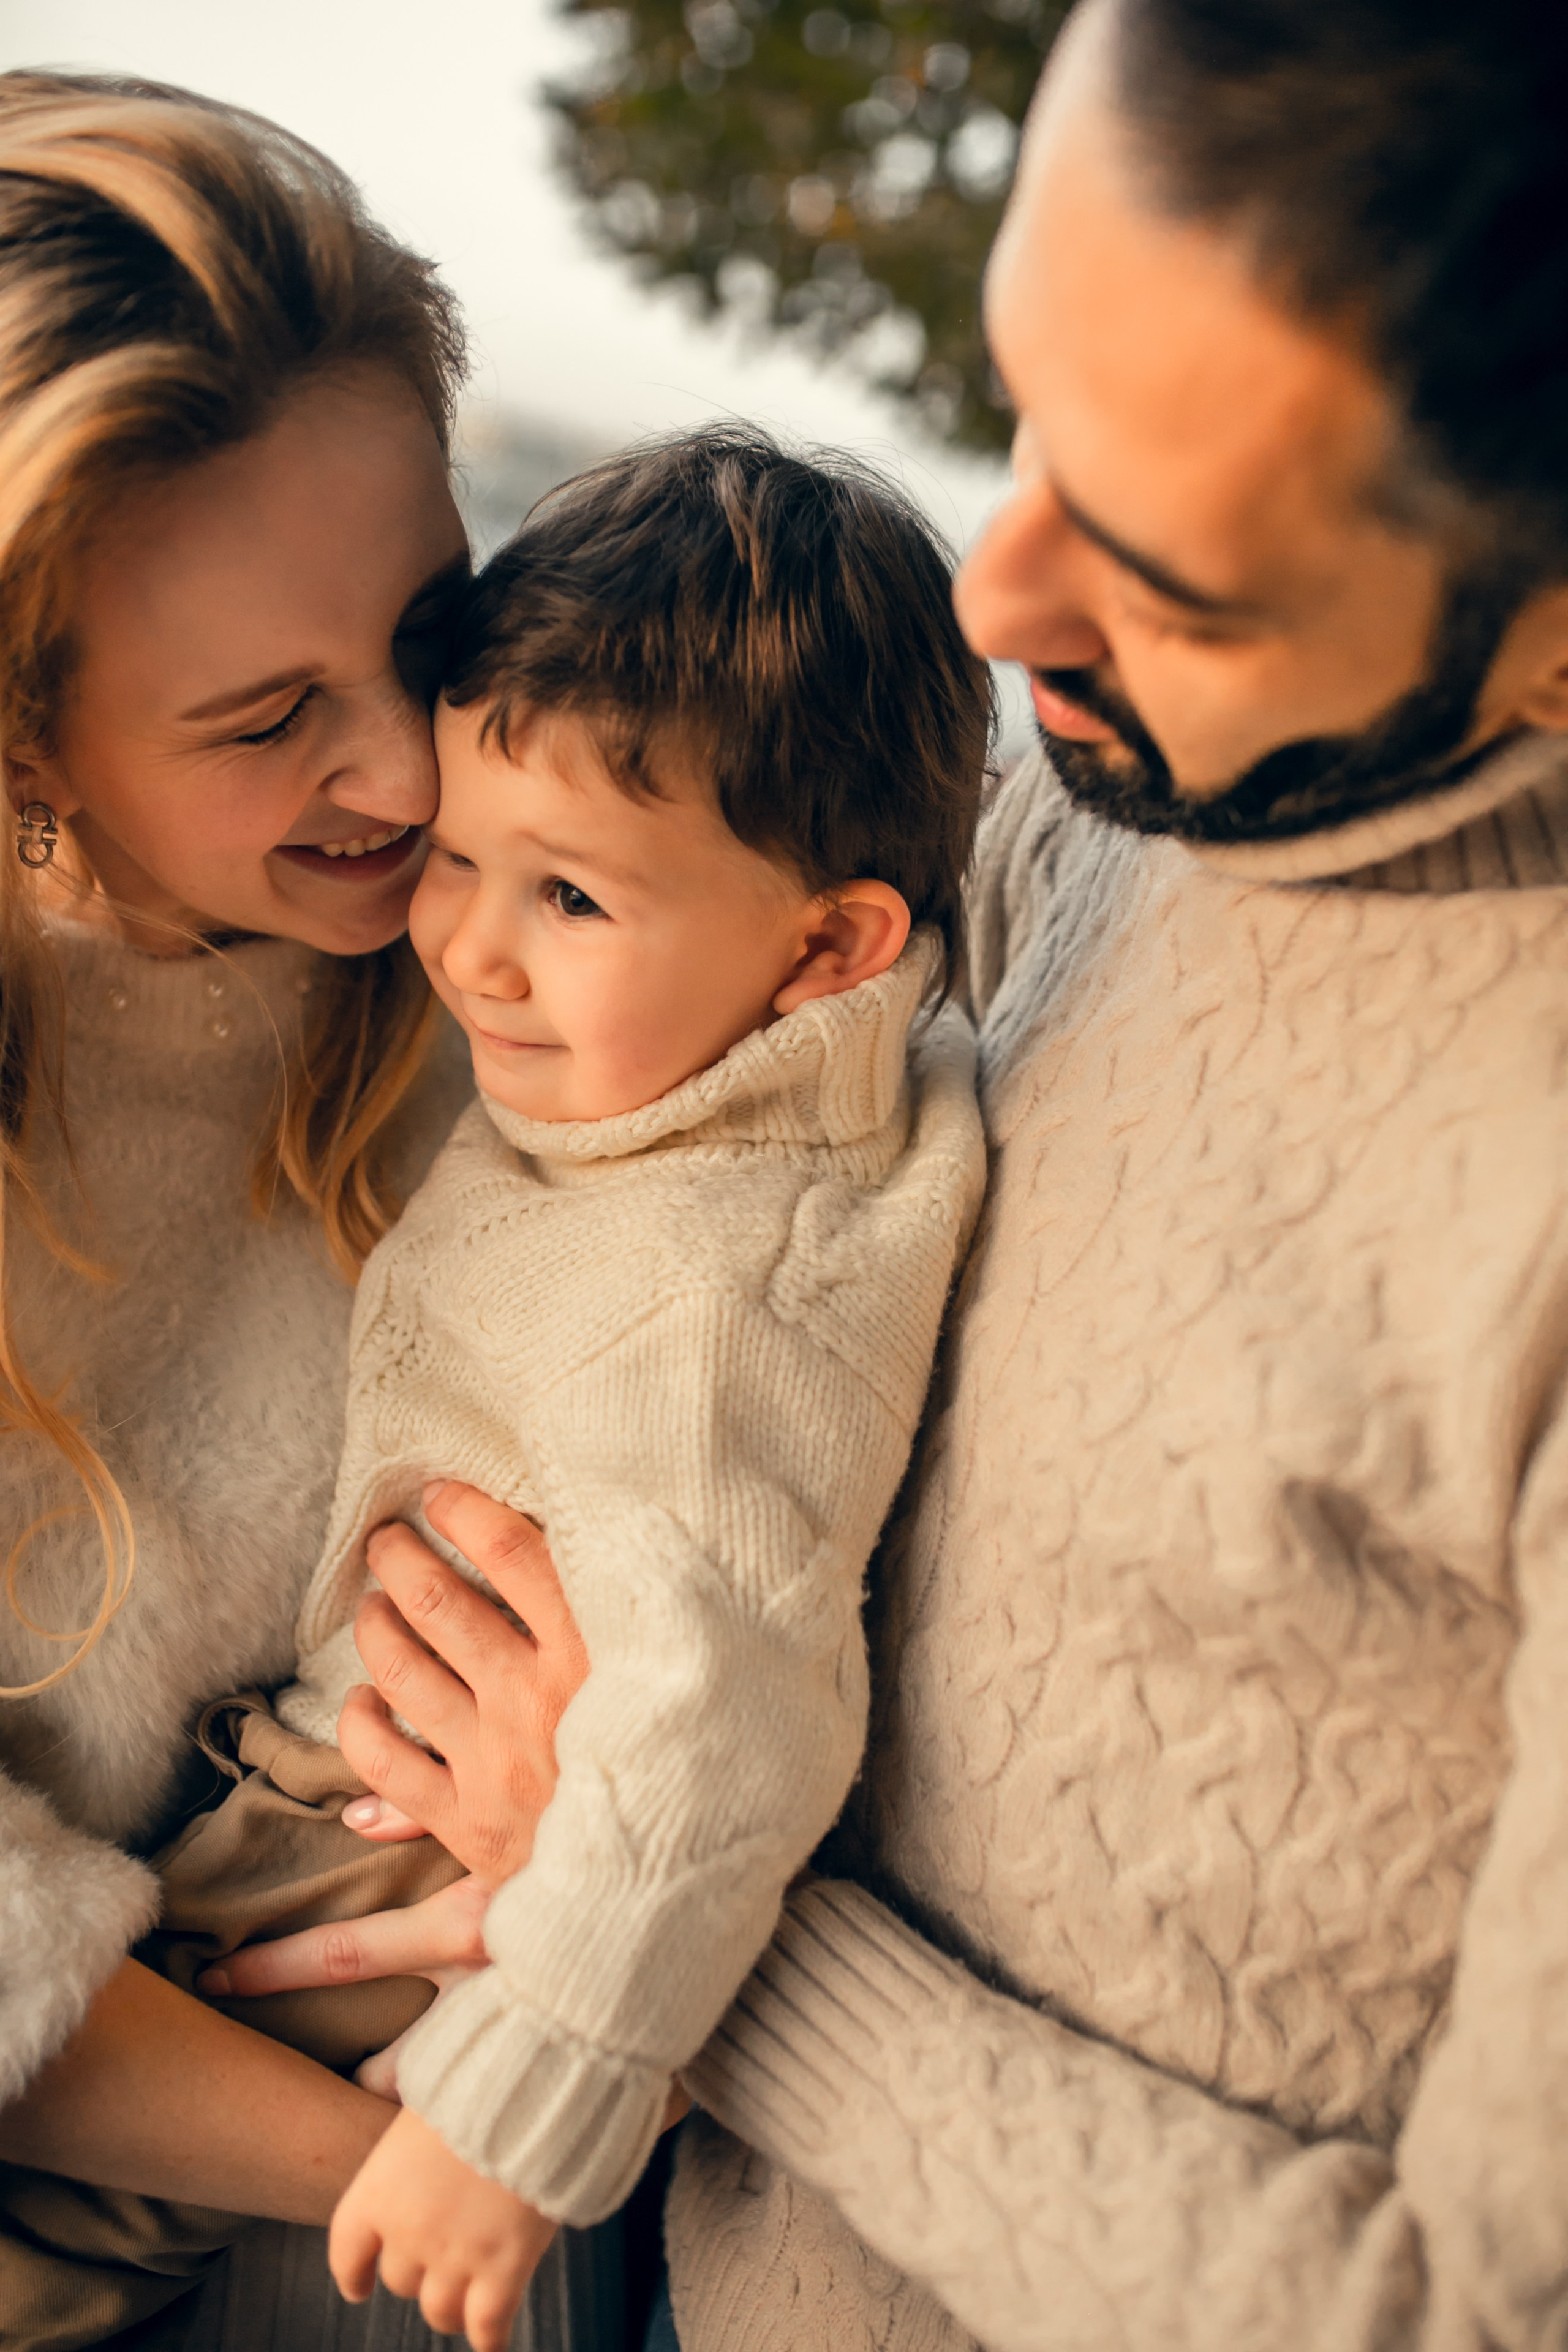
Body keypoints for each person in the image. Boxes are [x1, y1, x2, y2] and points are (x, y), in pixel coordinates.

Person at [181, 0, 1568, 2340]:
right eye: (1032, 410)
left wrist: (657, 1918)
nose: (1004, 601)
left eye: (1174, 562)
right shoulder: (1110, 794)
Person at [154, 429, 989, 2352]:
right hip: (334, 1851)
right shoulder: (680, 1080)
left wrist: (521, 2107)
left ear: (832, 947)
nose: (469, 950)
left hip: (432, 1966)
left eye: (573, 903)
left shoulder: (726, 1297)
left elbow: (725, 1726)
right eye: (456, 858)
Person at [0, 69, 616, 2352]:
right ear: (26, 737)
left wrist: (621, 1806)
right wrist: (433, 2188)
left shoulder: (551, 980)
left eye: (435, 632)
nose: (403, 772)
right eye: (267, 719)